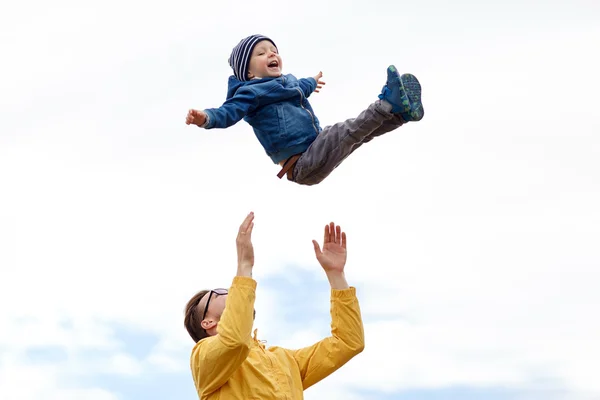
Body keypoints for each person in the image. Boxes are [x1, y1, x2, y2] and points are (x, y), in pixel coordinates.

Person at [185, 34, 424, 186]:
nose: (271, 53)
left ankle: (400, 114)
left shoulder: (286, 82)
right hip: (301, 164)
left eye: (273, 50)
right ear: (248, 73)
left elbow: (300, 87)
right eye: (260, 53)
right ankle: (387, 104)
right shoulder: (249, 93)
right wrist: (205, 118)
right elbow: (227, 112)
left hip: (314, 148)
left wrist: (311, 81)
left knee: (358, 135)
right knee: (345, 131)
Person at [183, 212, 365, 399]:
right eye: (218, 294)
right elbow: (235, 341)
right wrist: (244, 266)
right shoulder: (202, 357)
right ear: (207, 322)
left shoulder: (285, 360)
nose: (230, 292)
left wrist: (336, 275)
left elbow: (348, 342)